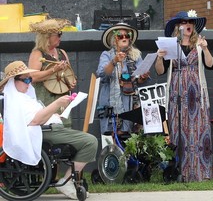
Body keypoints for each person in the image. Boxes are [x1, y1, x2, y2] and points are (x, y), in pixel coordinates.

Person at [0, 61, 98, 199]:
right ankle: (66, 181)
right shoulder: (16, 100)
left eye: (30, 79)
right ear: (13, 81)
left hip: (49, 128)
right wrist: (57, 103)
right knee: (90, 141)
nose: (29, 82)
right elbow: (35, 121)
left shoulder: (23, 98)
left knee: (87, 140)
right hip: (45, 132)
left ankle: (69, 180)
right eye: (26, 79)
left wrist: (54, 114)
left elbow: (38, 117)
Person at [154, 9, 213, 182]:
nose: (187, 25)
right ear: (177, 27)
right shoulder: (170, 45)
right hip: (177, 94)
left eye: (190, 22)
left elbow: (210, 65)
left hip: (197, 95)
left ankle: (201, 173)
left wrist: (206, 49)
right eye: (183, 22)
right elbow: (160, 71)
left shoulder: (199, 44)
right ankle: (179, 173)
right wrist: (159, 58)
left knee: (198, 131)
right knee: (178, 130)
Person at [96, 23, 150, 135]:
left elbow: (138, 81)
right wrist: (114, 61)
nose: (125, 38)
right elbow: (103, 74)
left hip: (131, 103)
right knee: (114, 135)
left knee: (133, 137)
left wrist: (143, 77)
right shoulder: (106, 55)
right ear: (114, 39)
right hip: (111, 103)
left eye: (127, 35)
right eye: (120, 36)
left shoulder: (136, 56)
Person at [28, 18, 77, 127]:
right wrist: (53, 70)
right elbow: (33, 77)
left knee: (65, 128)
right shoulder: (38, 53)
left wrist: (71, 82)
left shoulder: (62, 52)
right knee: (50, 128)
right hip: (45, 101)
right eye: (58, 34)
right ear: (47, 37)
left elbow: (69, 73)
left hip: (62, 100)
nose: (60, 37)